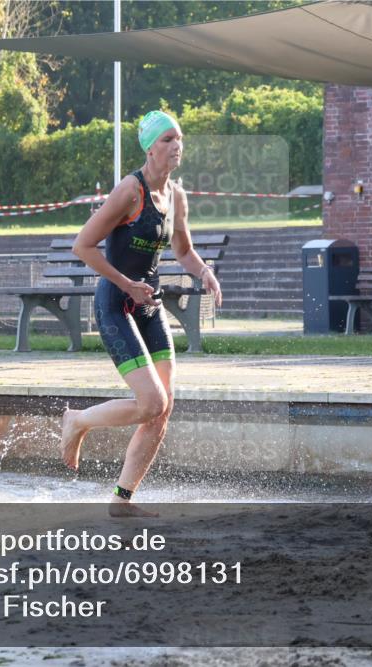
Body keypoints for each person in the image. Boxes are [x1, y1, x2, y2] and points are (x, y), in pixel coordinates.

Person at [60, 111, 222, 516]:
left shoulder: (177, 196)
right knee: (150, 402)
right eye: (168, 139)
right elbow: (83, 246)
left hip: (148, 307)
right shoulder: (129, 191)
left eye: (180, 138)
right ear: (150, 147)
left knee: (163, 407)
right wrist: (125, 283)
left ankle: (122, 500)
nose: (176, 145)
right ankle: (77, 421)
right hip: (116, 303)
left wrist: (204, 272)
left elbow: (182, 250)